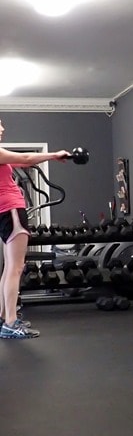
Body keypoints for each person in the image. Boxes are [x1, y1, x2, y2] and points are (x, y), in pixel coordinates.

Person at [0, 118, 70, 339]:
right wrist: (54, 155)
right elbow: (26, 158)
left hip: (5, 210)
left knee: (9, 267)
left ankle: (4, 318)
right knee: (16, 268)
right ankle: (11, 323)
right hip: (11, 209)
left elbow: (22, 163)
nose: (2, 128)